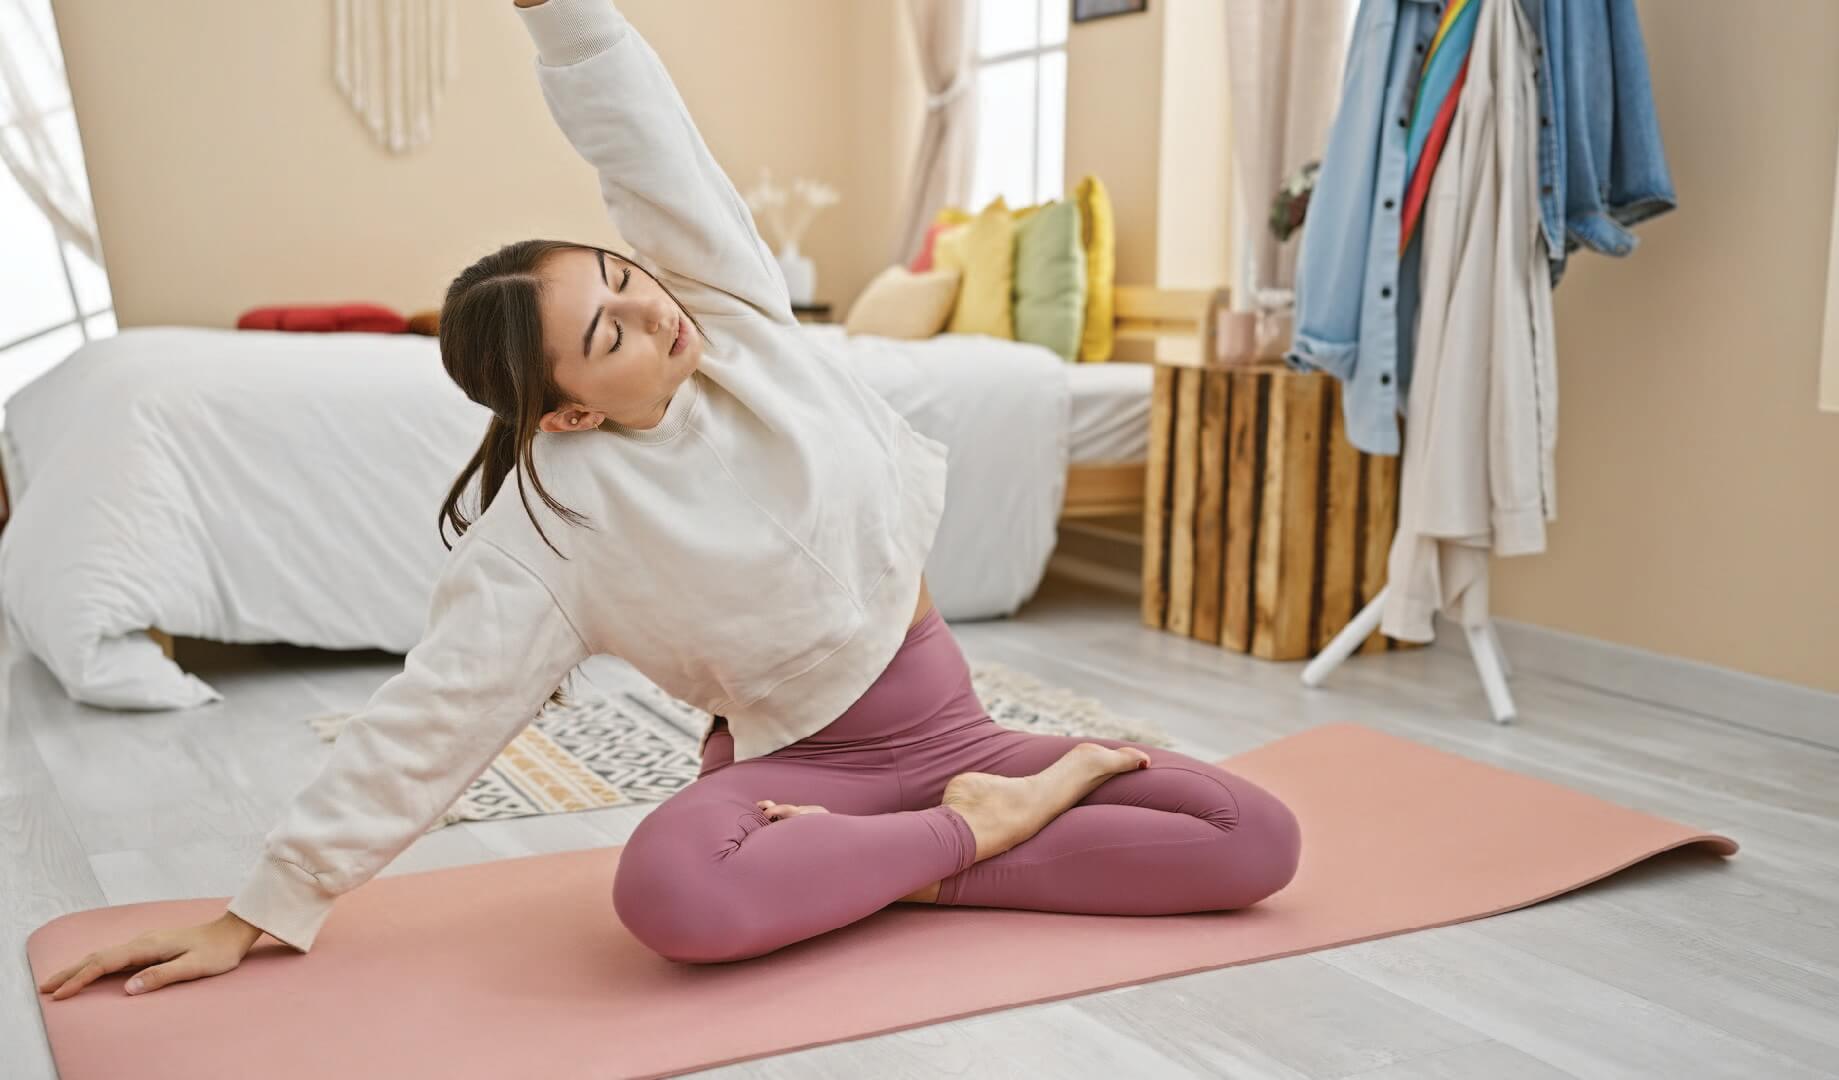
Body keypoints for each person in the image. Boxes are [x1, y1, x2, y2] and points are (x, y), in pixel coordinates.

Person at [38, 0, 1302, 1000]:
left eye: (623, 277)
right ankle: (958, 845)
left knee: (1249, 837)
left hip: (957, 734)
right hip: (808, 774)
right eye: (610, 329)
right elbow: (432, 718)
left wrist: (552, 9)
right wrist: (262, 905)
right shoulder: (548, 530)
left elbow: (638, 135)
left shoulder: (734, 312)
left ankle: (899, 868)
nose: (654, 306)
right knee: (668, 895)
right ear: (570, 409)